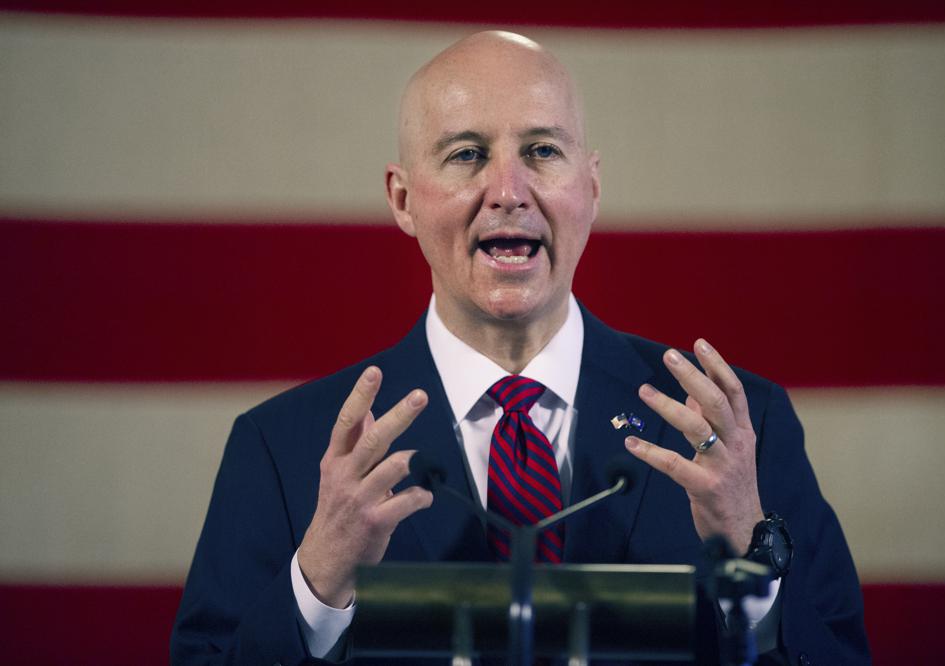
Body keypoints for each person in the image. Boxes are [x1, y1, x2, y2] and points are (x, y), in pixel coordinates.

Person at [171, 31, 869, 666]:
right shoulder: (283, 448)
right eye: (467, 154)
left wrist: (753, 560)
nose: (508, 191)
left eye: (541, 151)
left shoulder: (737, 431)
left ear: (590, 188)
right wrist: (318, 584)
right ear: (403, 198)